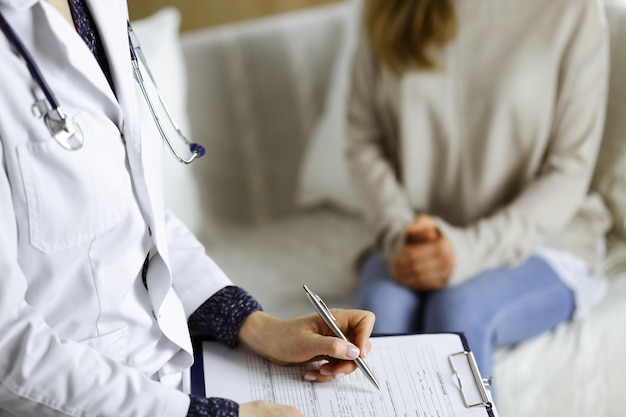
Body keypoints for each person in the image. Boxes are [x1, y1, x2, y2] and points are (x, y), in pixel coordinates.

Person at [0, 1, 375, 417]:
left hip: (177, 379)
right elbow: (7, 350)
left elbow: (138, 211)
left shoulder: (99, 8)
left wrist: (252, 324)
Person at [346, 0, 612, 393]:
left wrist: (466, 251)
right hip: (412, 239)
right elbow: (363, 142)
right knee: (377, 323)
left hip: (542, 239)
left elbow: (569, 170)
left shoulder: (573, 11)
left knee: (458, 314)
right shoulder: (386, 7)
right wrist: (402, 231)